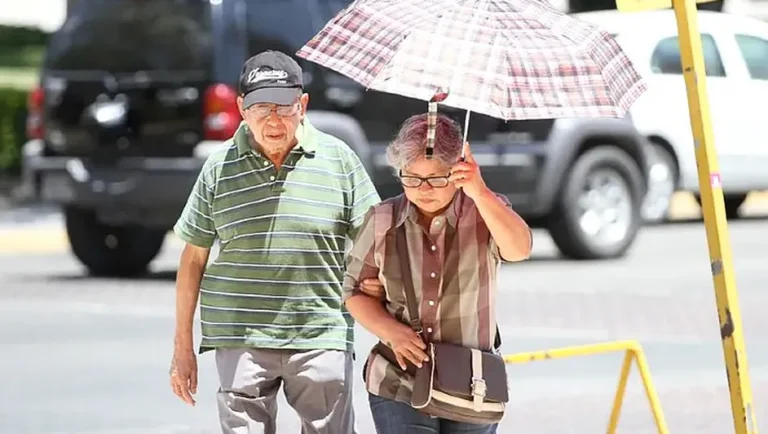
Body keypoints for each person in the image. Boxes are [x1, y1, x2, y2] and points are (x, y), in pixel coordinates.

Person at [168, 50, 381, 434]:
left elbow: (378, 243)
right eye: (260, 107)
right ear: (240, 109)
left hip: (321, 332)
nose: (272, 119)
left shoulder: (339, 160)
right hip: (239, 334)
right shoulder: (218, 167)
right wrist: (182, 347)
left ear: (302, 105)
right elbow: (193, 259)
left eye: (283, 107)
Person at [342, 113, 533, 434]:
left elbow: (519, 249)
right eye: (411, 178)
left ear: (457, 170)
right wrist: (391, 331)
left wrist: (480, 191)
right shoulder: (383, 219)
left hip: (472, 382)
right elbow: (354, 292)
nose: (423, 189)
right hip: (399, 378)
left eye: (436, 178)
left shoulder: (483, 211)